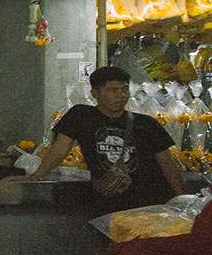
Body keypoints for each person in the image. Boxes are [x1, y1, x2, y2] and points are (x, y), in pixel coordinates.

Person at [13, 65, 183, 214]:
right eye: (113, 90)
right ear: (95, 93)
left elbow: (167, 163)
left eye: (125, 89)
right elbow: (60, 149)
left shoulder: (146, 123)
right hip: (108, 203)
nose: (121, 95)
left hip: (149, 202)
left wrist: (181, 199)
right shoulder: (81, 116)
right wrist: (36, 176)